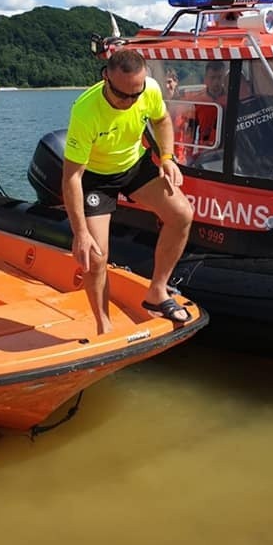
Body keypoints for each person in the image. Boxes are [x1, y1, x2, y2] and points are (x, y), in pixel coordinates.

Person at [62, 49, 194, 335]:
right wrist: (80, 232)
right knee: (96, 255)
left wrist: (168, 157)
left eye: (136, 95)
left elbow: (160, 120)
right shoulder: (85, 111)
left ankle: (157, 293)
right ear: (106, 77)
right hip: (96, 178)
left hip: (134, 165)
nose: (129, 102)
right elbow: (71, 176)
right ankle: (103, 325)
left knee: (182, 214)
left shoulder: (150, 90)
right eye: (123, 96)